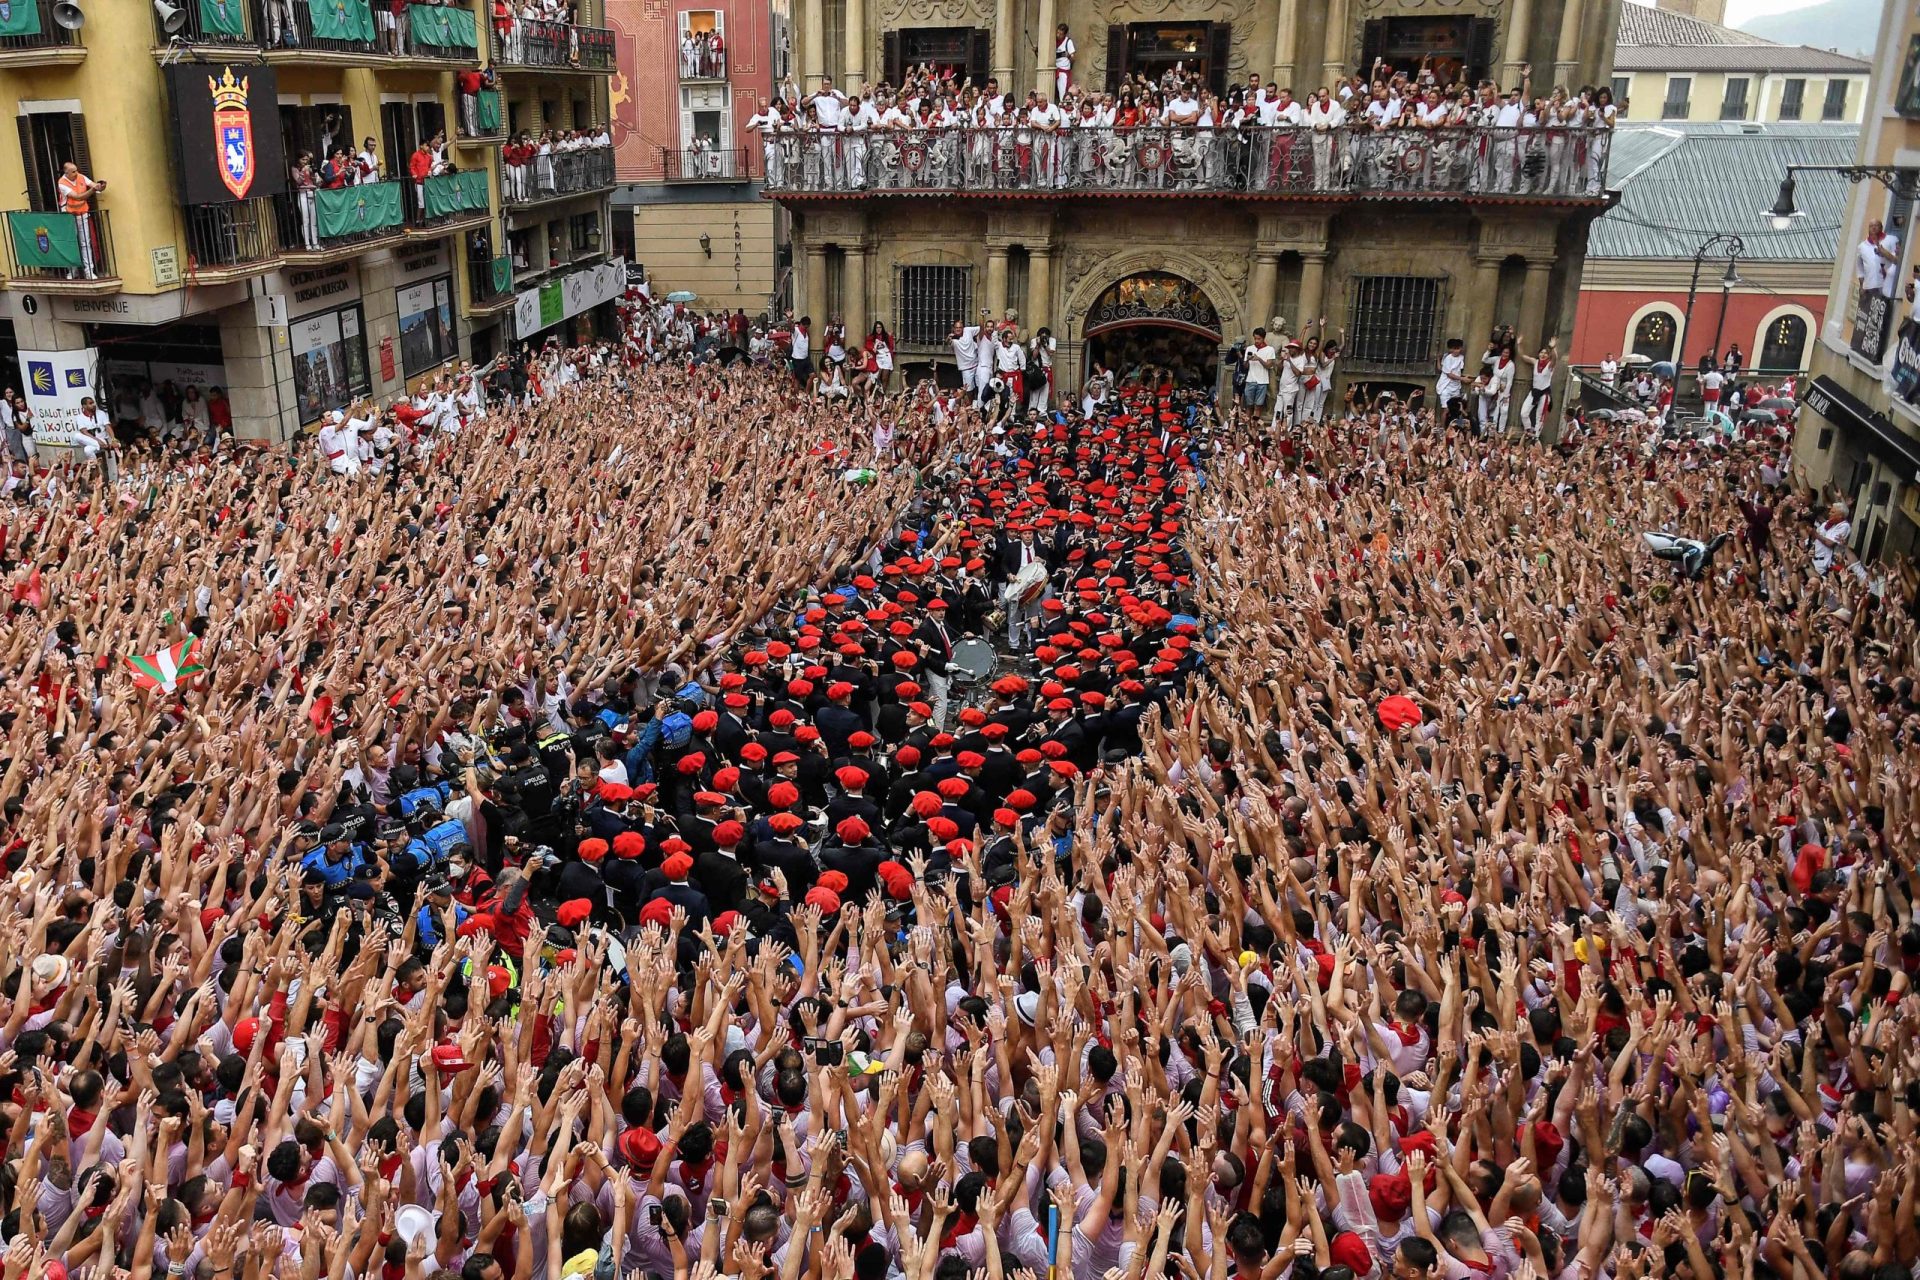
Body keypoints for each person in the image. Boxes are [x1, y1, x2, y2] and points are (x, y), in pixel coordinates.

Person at [56, 159, 105, 280]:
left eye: (76, 170)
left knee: (85, 243)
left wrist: (100, 186)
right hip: (68, 216)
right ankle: (73, 271)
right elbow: (78, 197)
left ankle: (89, 272)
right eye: (73, 172)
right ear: (66, 173)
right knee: (71, 243)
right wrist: (93, 190)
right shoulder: (62, 183)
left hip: (82, 214)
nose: (76, 173)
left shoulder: (81, 177)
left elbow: (94, 186)